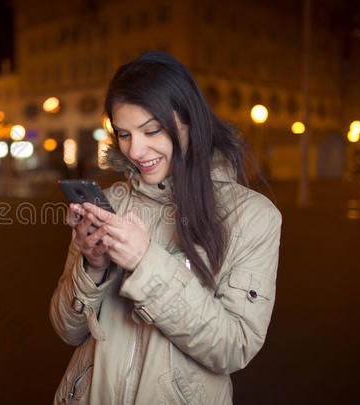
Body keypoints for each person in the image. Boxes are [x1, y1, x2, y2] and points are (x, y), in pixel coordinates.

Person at [49, 51, 282, 404]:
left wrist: (146, 262)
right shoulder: (111, 204)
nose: (136, 150)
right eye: (124, 134)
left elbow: (234, 348)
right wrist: (91, 267)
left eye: (152, 130)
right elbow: (67, 330)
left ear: (190, 120)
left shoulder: (253, 216)